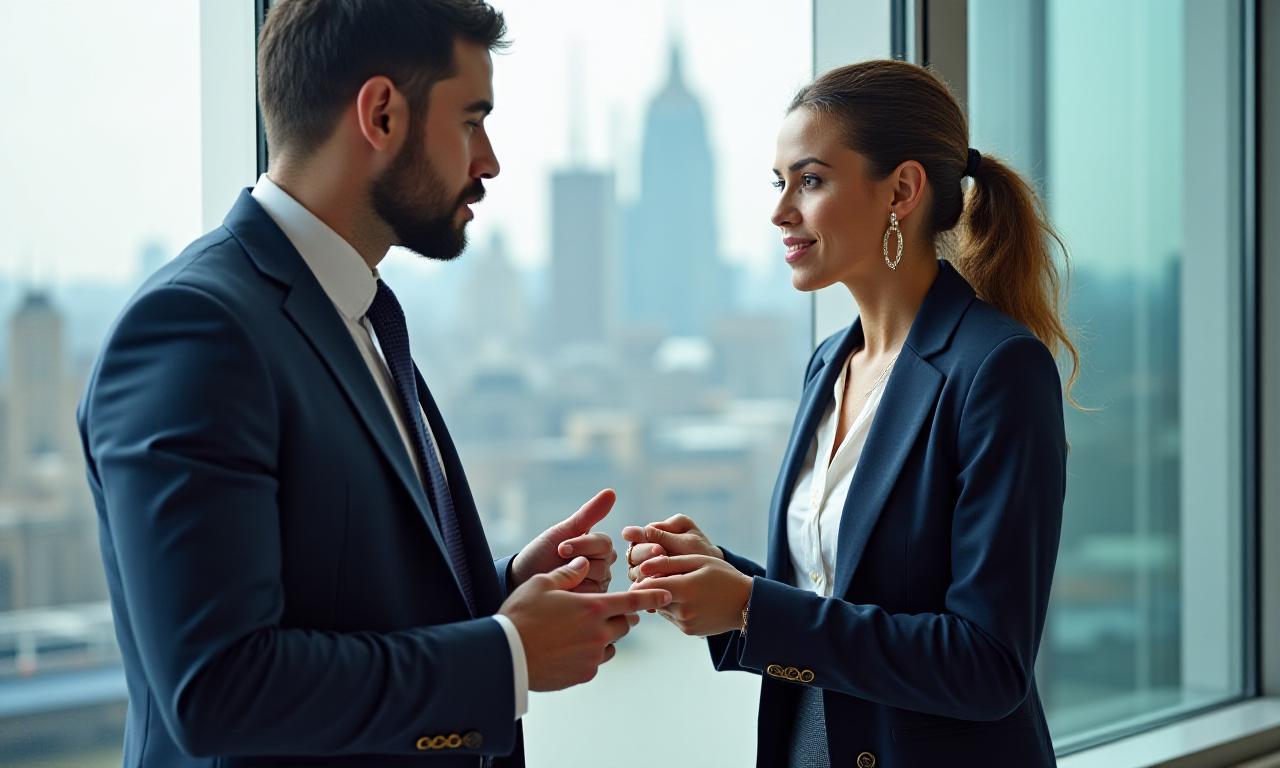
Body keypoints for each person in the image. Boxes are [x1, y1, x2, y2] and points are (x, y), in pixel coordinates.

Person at [76, 1, 670, 766]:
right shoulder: (197, 331)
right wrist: (509, 653)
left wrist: (500, 591)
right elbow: (217, 690)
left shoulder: (357, 312)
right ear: (382, 114)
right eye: (471, 120)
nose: (488, 160)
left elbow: (339, 600)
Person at [624, 59, 1076, 768]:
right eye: (779, 184)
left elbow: (988, 666)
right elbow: (838, 594)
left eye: (809, 181)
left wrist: (750, 605)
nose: (780, 211)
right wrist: (721, 577)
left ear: (901, 188)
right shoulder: (829, 362)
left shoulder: (997, 370)